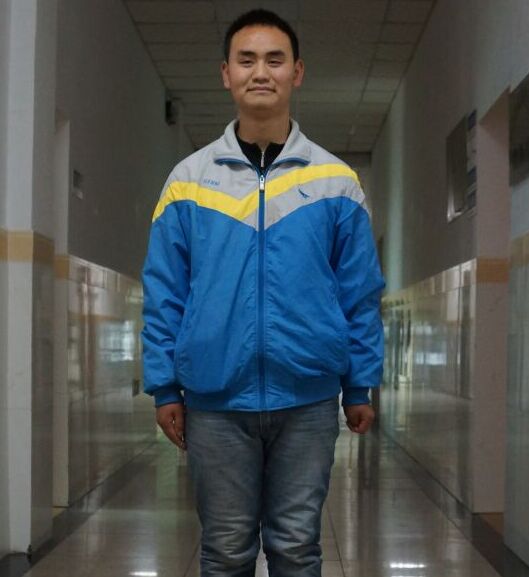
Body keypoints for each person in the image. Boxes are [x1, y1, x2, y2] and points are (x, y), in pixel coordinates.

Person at [141, 9, 384, 577]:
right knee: (225, 550)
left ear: (296, 72)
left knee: (296, 547)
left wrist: (359, 384)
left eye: (275, 60)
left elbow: (359, 295)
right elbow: (165, 292)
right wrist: (164, 386)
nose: (260, 72)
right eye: (246, 60)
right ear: (225, 73)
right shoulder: (188, 182)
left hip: (308, 400)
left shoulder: (335, 181)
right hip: (214, 400)